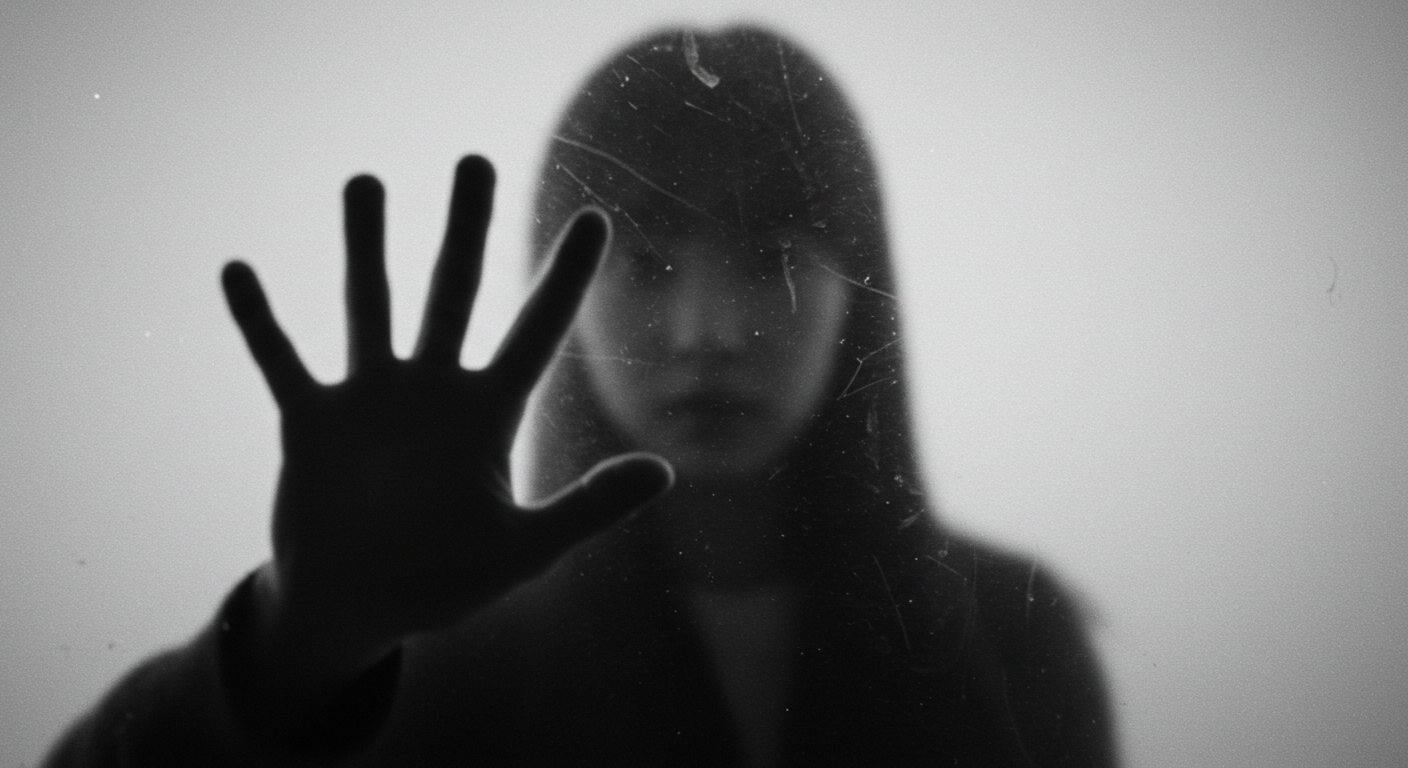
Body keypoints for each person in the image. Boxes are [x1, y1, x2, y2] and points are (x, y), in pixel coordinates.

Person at [45, 26, 1115, 767]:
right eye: (644, 260)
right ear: (563, 295)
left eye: (775, 256)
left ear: (858, 294)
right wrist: (301, 640)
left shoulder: (1013, 634)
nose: (706, 328)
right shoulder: (428, 644)